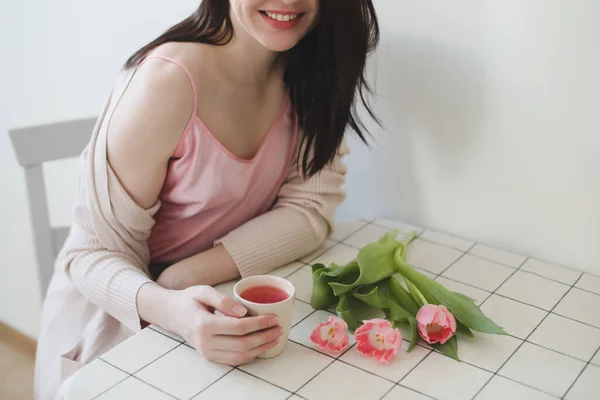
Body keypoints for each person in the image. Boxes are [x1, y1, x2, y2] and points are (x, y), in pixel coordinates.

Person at [34, 0, 379, 398]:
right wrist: (170, 305)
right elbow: (90, 254)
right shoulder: (167, 82)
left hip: (206, 300)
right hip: (109, 322)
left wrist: (187, 275)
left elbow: (309, 211)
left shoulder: (312, 71)